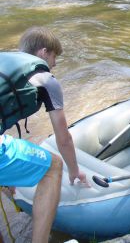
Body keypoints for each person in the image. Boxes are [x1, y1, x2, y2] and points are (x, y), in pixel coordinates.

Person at [0, 27, 88, 243]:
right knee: (54, 166)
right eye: (54, 56)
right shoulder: (45, 79)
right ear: (43, 52)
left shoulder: (6, 64)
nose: (55, 63)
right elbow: (64, 138)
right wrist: (75, 171)